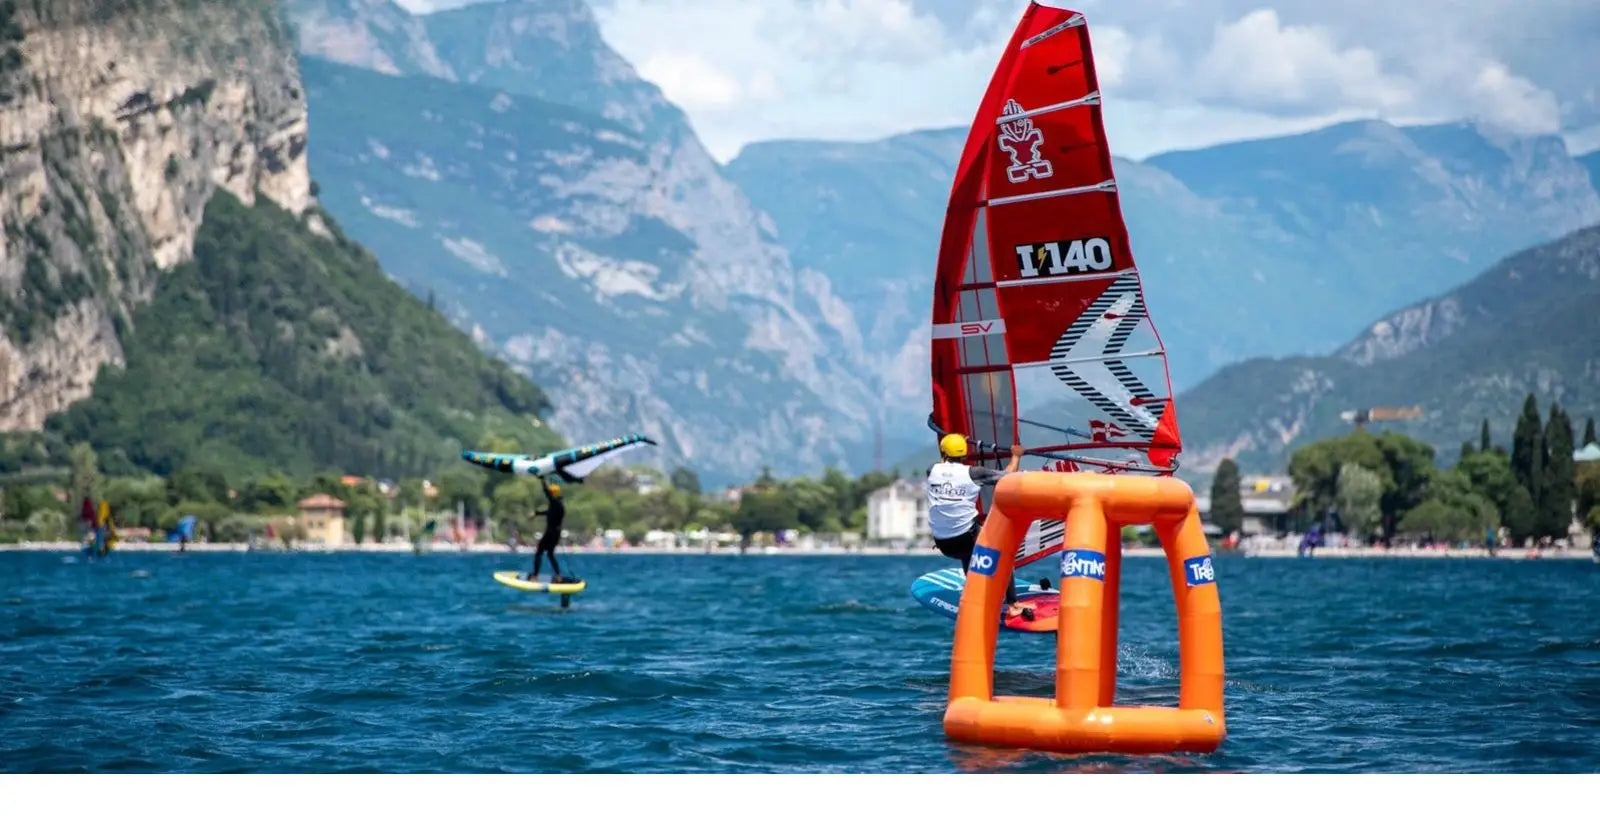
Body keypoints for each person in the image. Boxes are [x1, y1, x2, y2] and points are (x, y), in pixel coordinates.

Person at [926, 433, 1025, 614]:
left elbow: (946, 467)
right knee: (1003, 553)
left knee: (968, 547)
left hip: (943, 544)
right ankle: (1013, 604)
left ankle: (974, 593)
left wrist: (956, 444)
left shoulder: (931, 470)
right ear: (963, 453)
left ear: (944, 452)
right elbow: (1009, 476)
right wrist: (1016, 455)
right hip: (966, 539)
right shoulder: (974, 473)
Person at [525, 477, 568, 581]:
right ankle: (558, 576)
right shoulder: (559, 505)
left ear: (553, 494)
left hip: (550, 532)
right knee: (550, 554)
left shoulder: (554, 502)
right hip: (556, 533)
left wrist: (542, 480)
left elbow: (546, 492)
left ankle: (535, 576)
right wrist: (536, 513)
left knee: (539, 552)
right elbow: (548, 512)